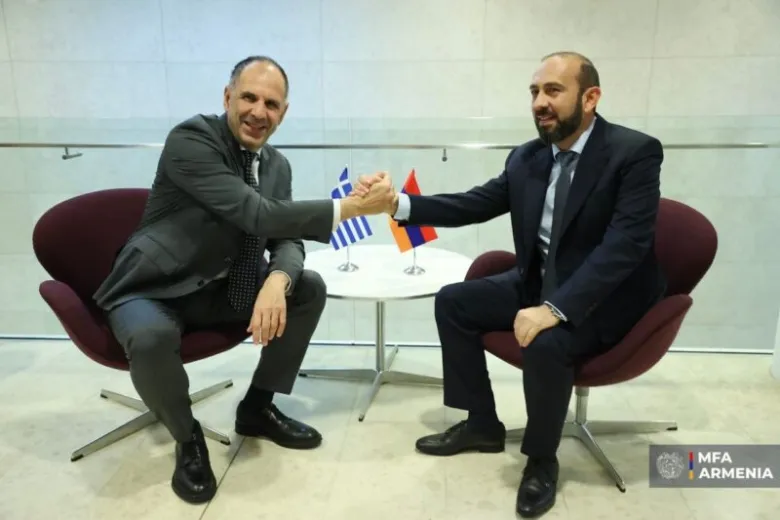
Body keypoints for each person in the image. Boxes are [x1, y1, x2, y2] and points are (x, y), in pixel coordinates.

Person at [354, 51, 666, 518]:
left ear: (590, 98)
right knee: (454, 302)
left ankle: (541, 459)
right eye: (534, 92)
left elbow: (625, 246)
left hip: (604, 296)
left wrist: (555, 309)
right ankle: (481, 423)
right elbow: (474, 204)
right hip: (539, 282)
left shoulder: (633, 153)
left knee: (545, 341)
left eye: (553, 91)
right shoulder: (528, 156)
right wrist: (396, 204)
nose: (539, 102)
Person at [92, 55, 393, 504]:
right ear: (227, 97)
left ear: (283, 113)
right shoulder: (191, 139)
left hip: (224, 289)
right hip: (154, 288)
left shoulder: (277, 165)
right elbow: (255, 213)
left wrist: (277, 281)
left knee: (307, 287)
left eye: (271, 104)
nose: (258, 111)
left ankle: (257, 408)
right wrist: (349, 208)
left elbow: (286, 238)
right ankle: (187, 437)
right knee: (152, 337)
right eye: (248, 97)